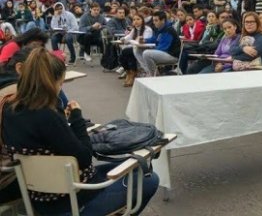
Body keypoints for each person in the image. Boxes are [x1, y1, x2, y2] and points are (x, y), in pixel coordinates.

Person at [1, 47, 159, 214]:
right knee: (149, 178)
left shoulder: (9, 109)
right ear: (50, 82)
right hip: (72, 201)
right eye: (60, 83)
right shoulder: (47, 114)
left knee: (134, 167)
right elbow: (84, 157)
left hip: (40, 198)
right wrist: (76, 117)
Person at [138, 10, 181, 77]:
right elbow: (154, 39)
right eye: (153, 20)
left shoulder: (169, 30)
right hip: (164, 53)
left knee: (146, 53)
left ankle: (154, 76)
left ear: (163, 20)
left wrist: (152, 48)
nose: (154, 22)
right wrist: (144, 40)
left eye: (156, 20)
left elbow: (164, 48)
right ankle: (148, 71)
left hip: (172, 55)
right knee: (138, 49)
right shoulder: (160, 28)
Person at [119, 14, 153, 87]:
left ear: (142, 20)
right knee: (122, 55)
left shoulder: (147, 29)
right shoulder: (135, 29)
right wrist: (123, 39)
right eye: (134, 20)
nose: (136, 21)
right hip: (135, 47)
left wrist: (134, 40)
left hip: (144, 48)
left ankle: (132, 73)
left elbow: (144, 40)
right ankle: (130, 72)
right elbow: (128, 37)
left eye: (138, 19)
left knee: (126, 52)